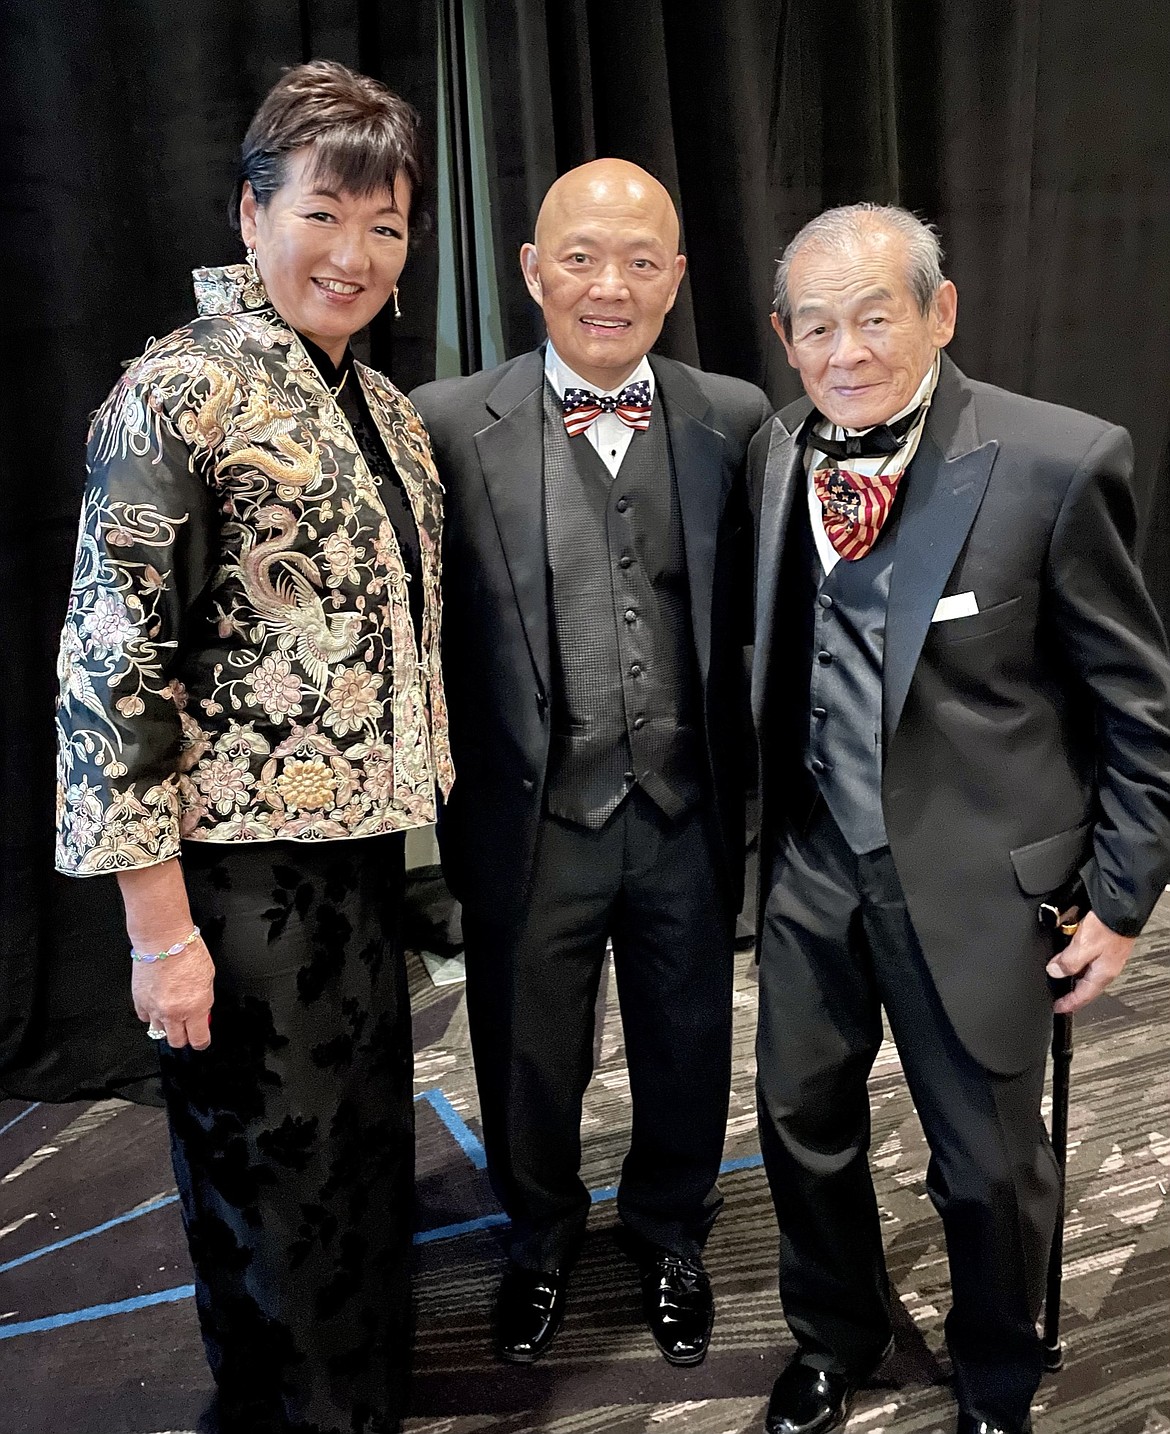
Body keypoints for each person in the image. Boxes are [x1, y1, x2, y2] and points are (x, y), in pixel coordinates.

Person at [53, 60, 452, 1434]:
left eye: (387, 225)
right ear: (249, 213)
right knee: (270, 1193)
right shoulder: (178, 395)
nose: (354, 253)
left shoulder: (384, 410)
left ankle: (362, 1407)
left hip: (356, 868)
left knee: (357, 1171)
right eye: (325, 213)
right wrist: (157, 930)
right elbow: (111, 671)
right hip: (229, 878)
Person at [749, 202, 1170, 1434]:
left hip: (981, 878)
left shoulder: (1058, 460)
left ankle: (996, 1374)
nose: (847, 351)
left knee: (989, 1167)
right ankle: (836, 1334)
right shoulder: (782, 452)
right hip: (816, 863)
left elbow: (1137, 707)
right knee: (799, 1126)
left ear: (941, 312)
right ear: (785, 338)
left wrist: (1128, 897)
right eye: (817, 326)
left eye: (877, 316)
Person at [411, 160, 771, 1367]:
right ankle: (539, 1240)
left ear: (676, 277)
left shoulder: (735, 416)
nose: (607, 286)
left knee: (687, 1041)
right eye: (580, 257)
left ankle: (671, 1230)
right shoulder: (449, 421)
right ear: (531, 270)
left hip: (685, 808)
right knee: (526, 1050)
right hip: (531, 815)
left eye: (638, 261)